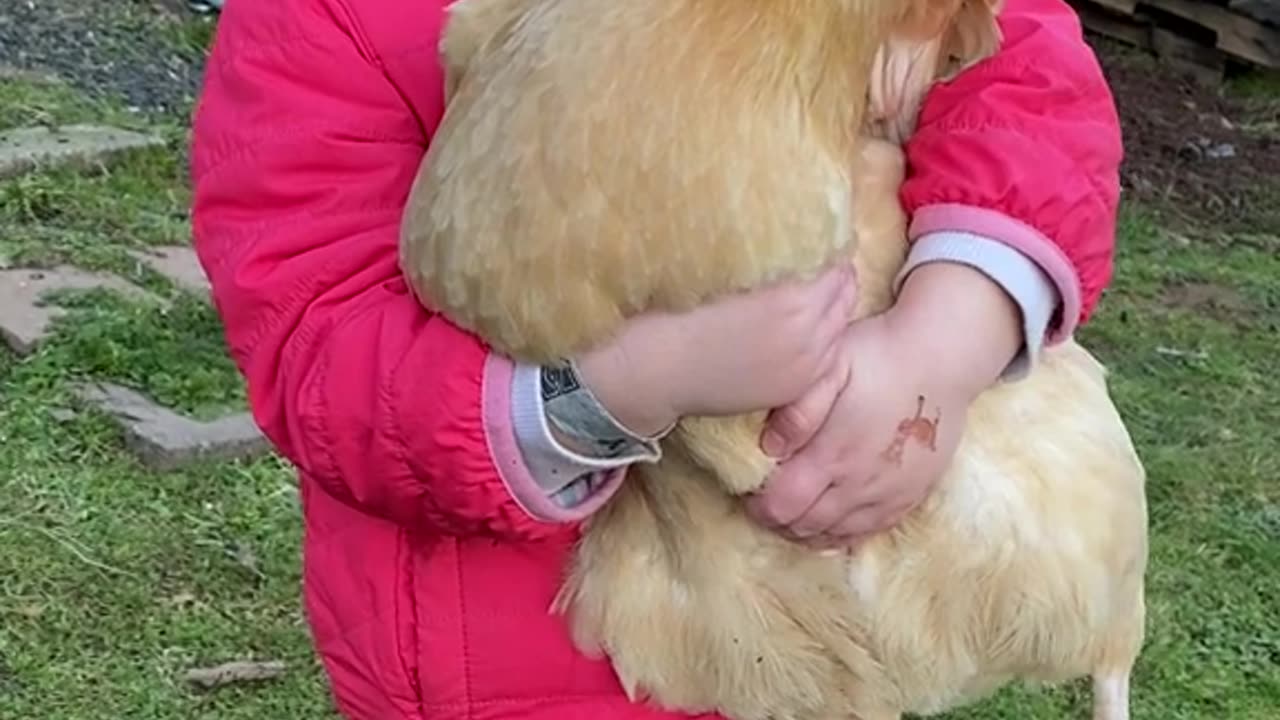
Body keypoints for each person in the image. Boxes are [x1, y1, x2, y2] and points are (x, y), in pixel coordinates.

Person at [189, 0, 1121, 717]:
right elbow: (320, 342)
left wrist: (943, 341)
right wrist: (626, 384)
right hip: (499, 661)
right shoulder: (322, 18)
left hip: (811, 613)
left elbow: (1023, 71)